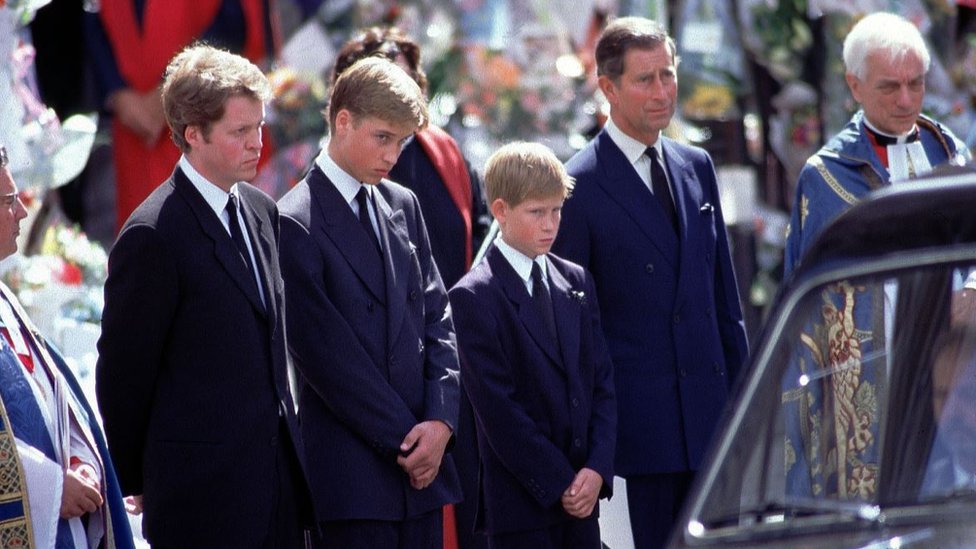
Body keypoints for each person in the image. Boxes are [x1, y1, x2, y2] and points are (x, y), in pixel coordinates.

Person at [95, 44, 312, 548]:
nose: (258, 142)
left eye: (259, 125)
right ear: (193, 134)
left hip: (276, 491)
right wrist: (145, 477)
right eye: (240, 131)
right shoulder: (154, 234)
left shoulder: (261, 210)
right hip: (201, 501)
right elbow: (123, 376)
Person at [550, 16, 749, 549]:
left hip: (711, 424)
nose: (662, 91)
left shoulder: (696, 165)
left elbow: (723, 302)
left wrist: (746, 409)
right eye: (645, 79)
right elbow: (576, 336)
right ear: (609, 88)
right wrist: (593, 448)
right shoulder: (579, 184)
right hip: (641, 438)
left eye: (668, 74)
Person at [278, 56, 462, 548]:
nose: (394, 155)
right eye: (383, 137)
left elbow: (438, 316)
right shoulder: (293, 220)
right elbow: (329, 361)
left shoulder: (403, 203)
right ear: (343, 121)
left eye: (401, 142)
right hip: (353, 479)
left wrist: (442, 421)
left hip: (421, 473)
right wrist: (412, 442)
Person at [330, 26, 490, 548]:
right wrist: (412, 430)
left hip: (451, 375)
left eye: (407, 78)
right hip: (385, 409)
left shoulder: (445, 154)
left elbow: (472, 251)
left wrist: (443, 412)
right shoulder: (327, 191)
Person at [449, 142, 616, 548]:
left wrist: (596, 468)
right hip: (522, 508)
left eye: (557, 210)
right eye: (536, 212)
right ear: (501, 211)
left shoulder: (576, 281)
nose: (550, 224)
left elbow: (602, 384)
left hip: (584, 497)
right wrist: (563, 482)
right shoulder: (474, 295)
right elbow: (499, 411)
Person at [0, 144, 134, 549]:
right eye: (9, 201)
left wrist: (83, 460)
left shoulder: (5, 297)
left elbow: (55, 395)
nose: (23, 212)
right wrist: (54, 487)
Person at [784, 11, 970, 275]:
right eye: (890, 87)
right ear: (855, 86)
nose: (905, 101)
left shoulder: (954, 156)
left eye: (915, 84)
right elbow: (804, 282)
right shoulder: (825, 176)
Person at [85, 0, 275, 233]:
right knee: (148, 243)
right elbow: (91, 17)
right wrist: (117, 92)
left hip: (211, 114)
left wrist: (175, 90)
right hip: (134, 127)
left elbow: (234, 19)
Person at [332, 25, 489, 290]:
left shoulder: (445, 150)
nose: (399, 95)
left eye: (408, 80)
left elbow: (481, 232)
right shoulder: (339, 171)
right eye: (386, 85)